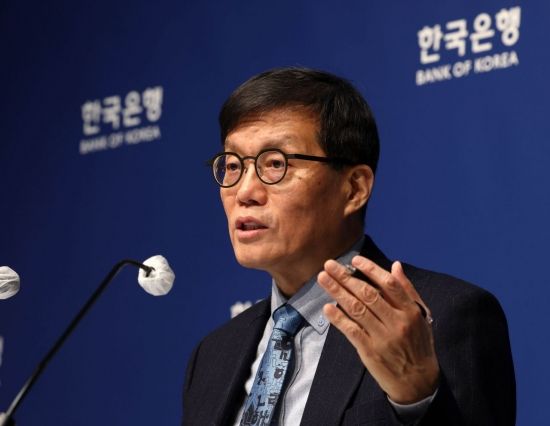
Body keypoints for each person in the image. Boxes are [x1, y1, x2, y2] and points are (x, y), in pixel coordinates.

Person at [182, 67, 515, 425]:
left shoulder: (441, 318)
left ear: (354, 188)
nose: (245, 192)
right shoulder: (213, 355)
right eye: (233, 166)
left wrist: (417, 398)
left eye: (275, 164)